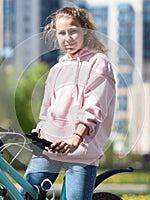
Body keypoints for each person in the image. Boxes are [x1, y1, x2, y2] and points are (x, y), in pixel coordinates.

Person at [20, 6, 116, 200]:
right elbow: (47, 111)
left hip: (81, 150)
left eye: (72, 31)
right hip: (51, 146)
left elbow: (93, 107)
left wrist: (75, 139)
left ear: (85, 29)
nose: (67, 38)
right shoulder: (57, 68)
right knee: (24, 196)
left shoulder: (98, 63)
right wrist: (39, 133)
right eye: (61, 33)